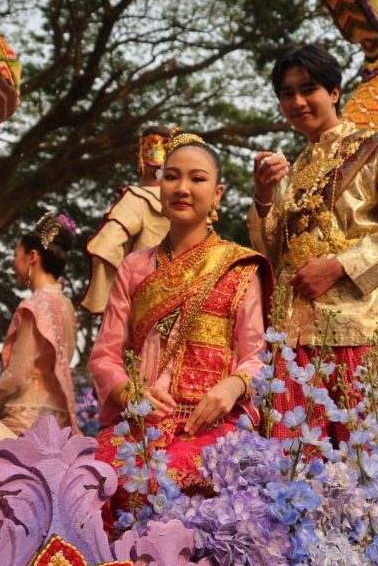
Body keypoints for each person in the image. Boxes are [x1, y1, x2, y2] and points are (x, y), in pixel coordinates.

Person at [248, 43, 378, 441]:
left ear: (334, 92)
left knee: (363, 453)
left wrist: (339, 266)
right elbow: (272, 252)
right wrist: (263, 195)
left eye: (308, 89)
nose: (298, 101)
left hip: (358, 327)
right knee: (292, 460)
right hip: (292, 333)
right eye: (287, 93)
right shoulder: (291, 172)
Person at [90, 132, 271, 493]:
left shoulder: (240, 268)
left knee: (160, 486)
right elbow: (104, 357)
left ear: (217, 194)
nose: (182, 188)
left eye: (197, 178)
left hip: (212, 427)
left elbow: (258, 356)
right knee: (86, 482)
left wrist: (233, 386)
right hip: (143, 425)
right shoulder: (134, 267)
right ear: (159, 187)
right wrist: (130, 392)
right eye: (171, 177)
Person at [0, 213, 80, 435]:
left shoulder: (34, 305)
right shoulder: (67, 307)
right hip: (59, 423)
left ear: (32, 257)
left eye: (16, 255)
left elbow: (17, 376)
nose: (13, 264)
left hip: (24, 418)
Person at [80, 126, 173, 315]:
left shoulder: (136, 198)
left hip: (141, 310)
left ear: (142, 165)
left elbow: (105, 247)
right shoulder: (191, 208)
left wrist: (109, 305)